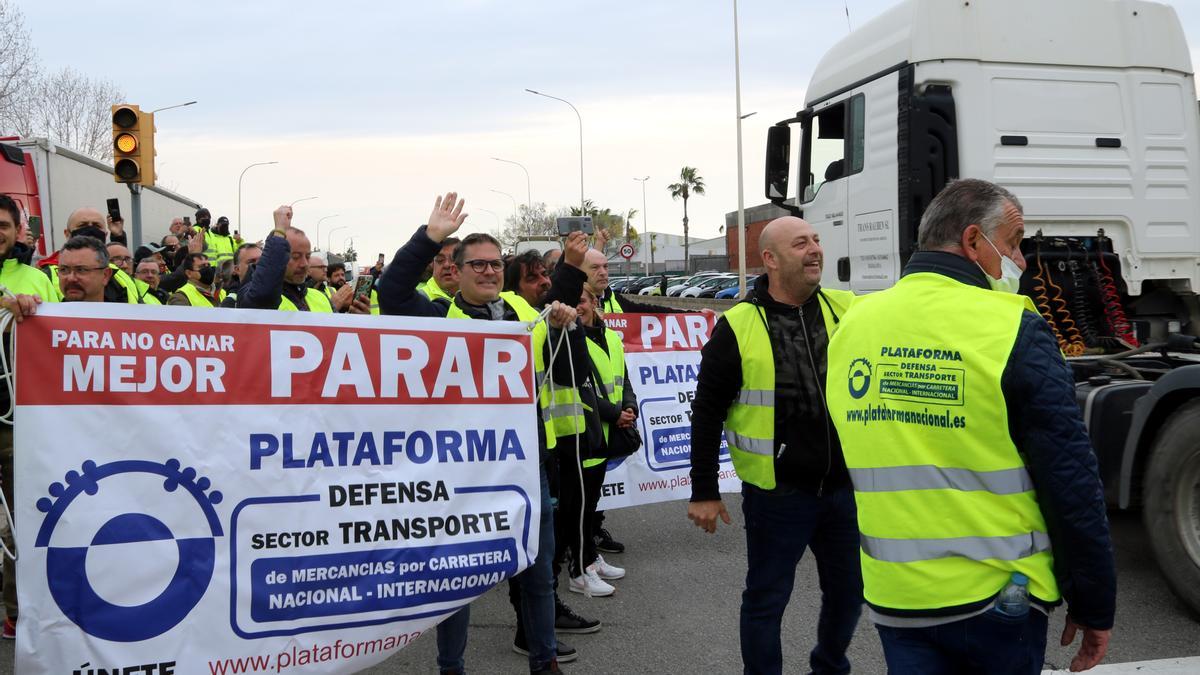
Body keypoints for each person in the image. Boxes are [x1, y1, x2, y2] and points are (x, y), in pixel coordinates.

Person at [825, 179, 1116, 674]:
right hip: (999, 597)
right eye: (1015, 242)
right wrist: (1093, 603)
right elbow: (1069, 479)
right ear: (974, 241)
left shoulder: (854, 324)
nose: (1022, 261)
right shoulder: (1010, 328)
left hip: (898, 597)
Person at [377, 193, 587, 675]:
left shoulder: (518, 314)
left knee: (537, 571)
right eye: (478, 264)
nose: (489, 272)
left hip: (523, 466)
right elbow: (391, 293)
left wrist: (565, 317)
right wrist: (427, 236)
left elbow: (559, 316)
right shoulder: (434, 318)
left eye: (496, 264)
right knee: (458, 579)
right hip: (459, 475)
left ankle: (545, 659)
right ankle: (451, 666)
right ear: (457, 268)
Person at [687, 215, 861, 675]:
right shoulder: (738, 326)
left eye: (817, 241)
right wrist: (703, 490)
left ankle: (829, 665)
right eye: (801, 243)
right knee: (766, 600)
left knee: (849, 593)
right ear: (769, 259)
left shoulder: (848, 310)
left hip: (845, 488)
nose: (815, 250)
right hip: (778, 492)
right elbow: (706, 412)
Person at [0, 194, 59, 639]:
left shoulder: (37, 279)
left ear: (18, 230)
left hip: (14, 417)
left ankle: (16, 613)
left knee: (21, 517)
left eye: (3, 223)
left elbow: (62, 341)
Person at [236, 207, 353, 313]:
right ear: (277, 257)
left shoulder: (321, 297)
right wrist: (279, 231)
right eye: (295, 257)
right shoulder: (251, 294)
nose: (304, 264)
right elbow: (263, 295)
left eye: (307, 256)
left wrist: (360, 318)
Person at [39, 208, 141, 303]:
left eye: (97, 226)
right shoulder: (46, 276)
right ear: (67, 234)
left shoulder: (121, 275)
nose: (91, 229)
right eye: (83, 225)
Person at [57, 236, 113, 303]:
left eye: (81, 270)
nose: (71, 278)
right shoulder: (47, 312)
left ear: (105, 275)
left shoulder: (123, 312)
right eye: (64, 270)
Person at [417, 236, 460, 307]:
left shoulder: (480, 298)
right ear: (432, 265)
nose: (446, 265)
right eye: (440, 260)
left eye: (453, 259)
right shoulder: (420, 299)